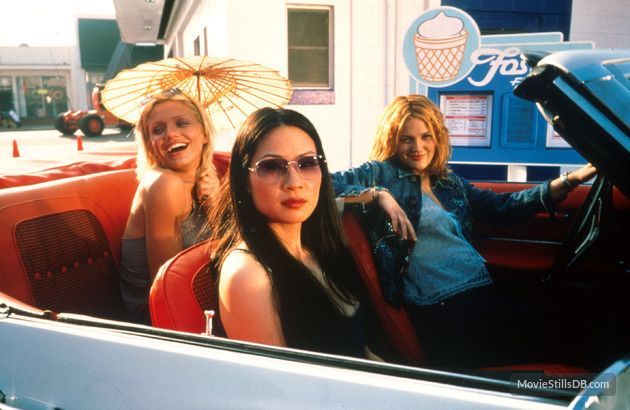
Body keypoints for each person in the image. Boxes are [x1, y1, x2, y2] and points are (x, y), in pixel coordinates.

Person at [331, 94, 597, 368]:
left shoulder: (448, 182)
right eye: (406, 139)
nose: (418, 147)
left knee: (577, 306)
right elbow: (323, 183)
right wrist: (378, 195)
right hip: (441, 309)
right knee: (567, 332)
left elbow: (503, 207)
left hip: (478, 291)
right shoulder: (379, 173)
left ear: (438, 138)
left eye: (426, 136)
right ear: (392, 141)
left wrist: (573, 179)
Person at [208, 107, 379, 359]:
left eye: (307, 163)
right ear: (244, 179)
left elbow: (361, 351)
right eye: (272, 166)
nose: (294, 181)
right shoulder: (248, 274)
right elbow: (280, 387)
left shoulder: (318, 248)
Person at [120, 90, 219, 323]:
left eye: (182, 123)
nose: (171, 134)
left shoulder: (208, 181)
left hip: (199, 297)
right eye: (158, 130)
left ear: (204, 134)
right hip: (156, 316)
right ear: (150, 145)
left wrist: (216, 203)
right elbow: (167, 286)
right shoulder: (164, 184)